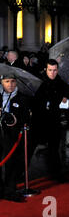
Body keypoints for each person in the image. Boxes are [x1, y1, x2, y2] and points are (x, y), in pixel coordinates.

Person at [31, 59, 69, 183]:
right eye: (50, 70)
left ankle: (56, 174)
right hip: (39, 120)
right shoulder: (38, 82)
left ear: (57, 70)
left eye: (54, 70)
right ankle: (18, 177)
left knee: (54, 148)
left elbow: (67, 94)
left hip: (54, 119)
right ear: (45, 69)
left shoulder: (61, 83)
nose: (52, 73)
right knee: (30, 148)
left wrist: (65, 97)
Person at [0, 73, 30, 202]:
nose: (10, 84)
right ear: (1, 82)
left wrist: (12, 118)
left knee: (11, 163)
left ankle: (10, 190)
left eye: (13, 81)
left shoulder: (22, 98)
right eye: (7, 81)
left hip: (12, 135)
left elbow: (26, 118)